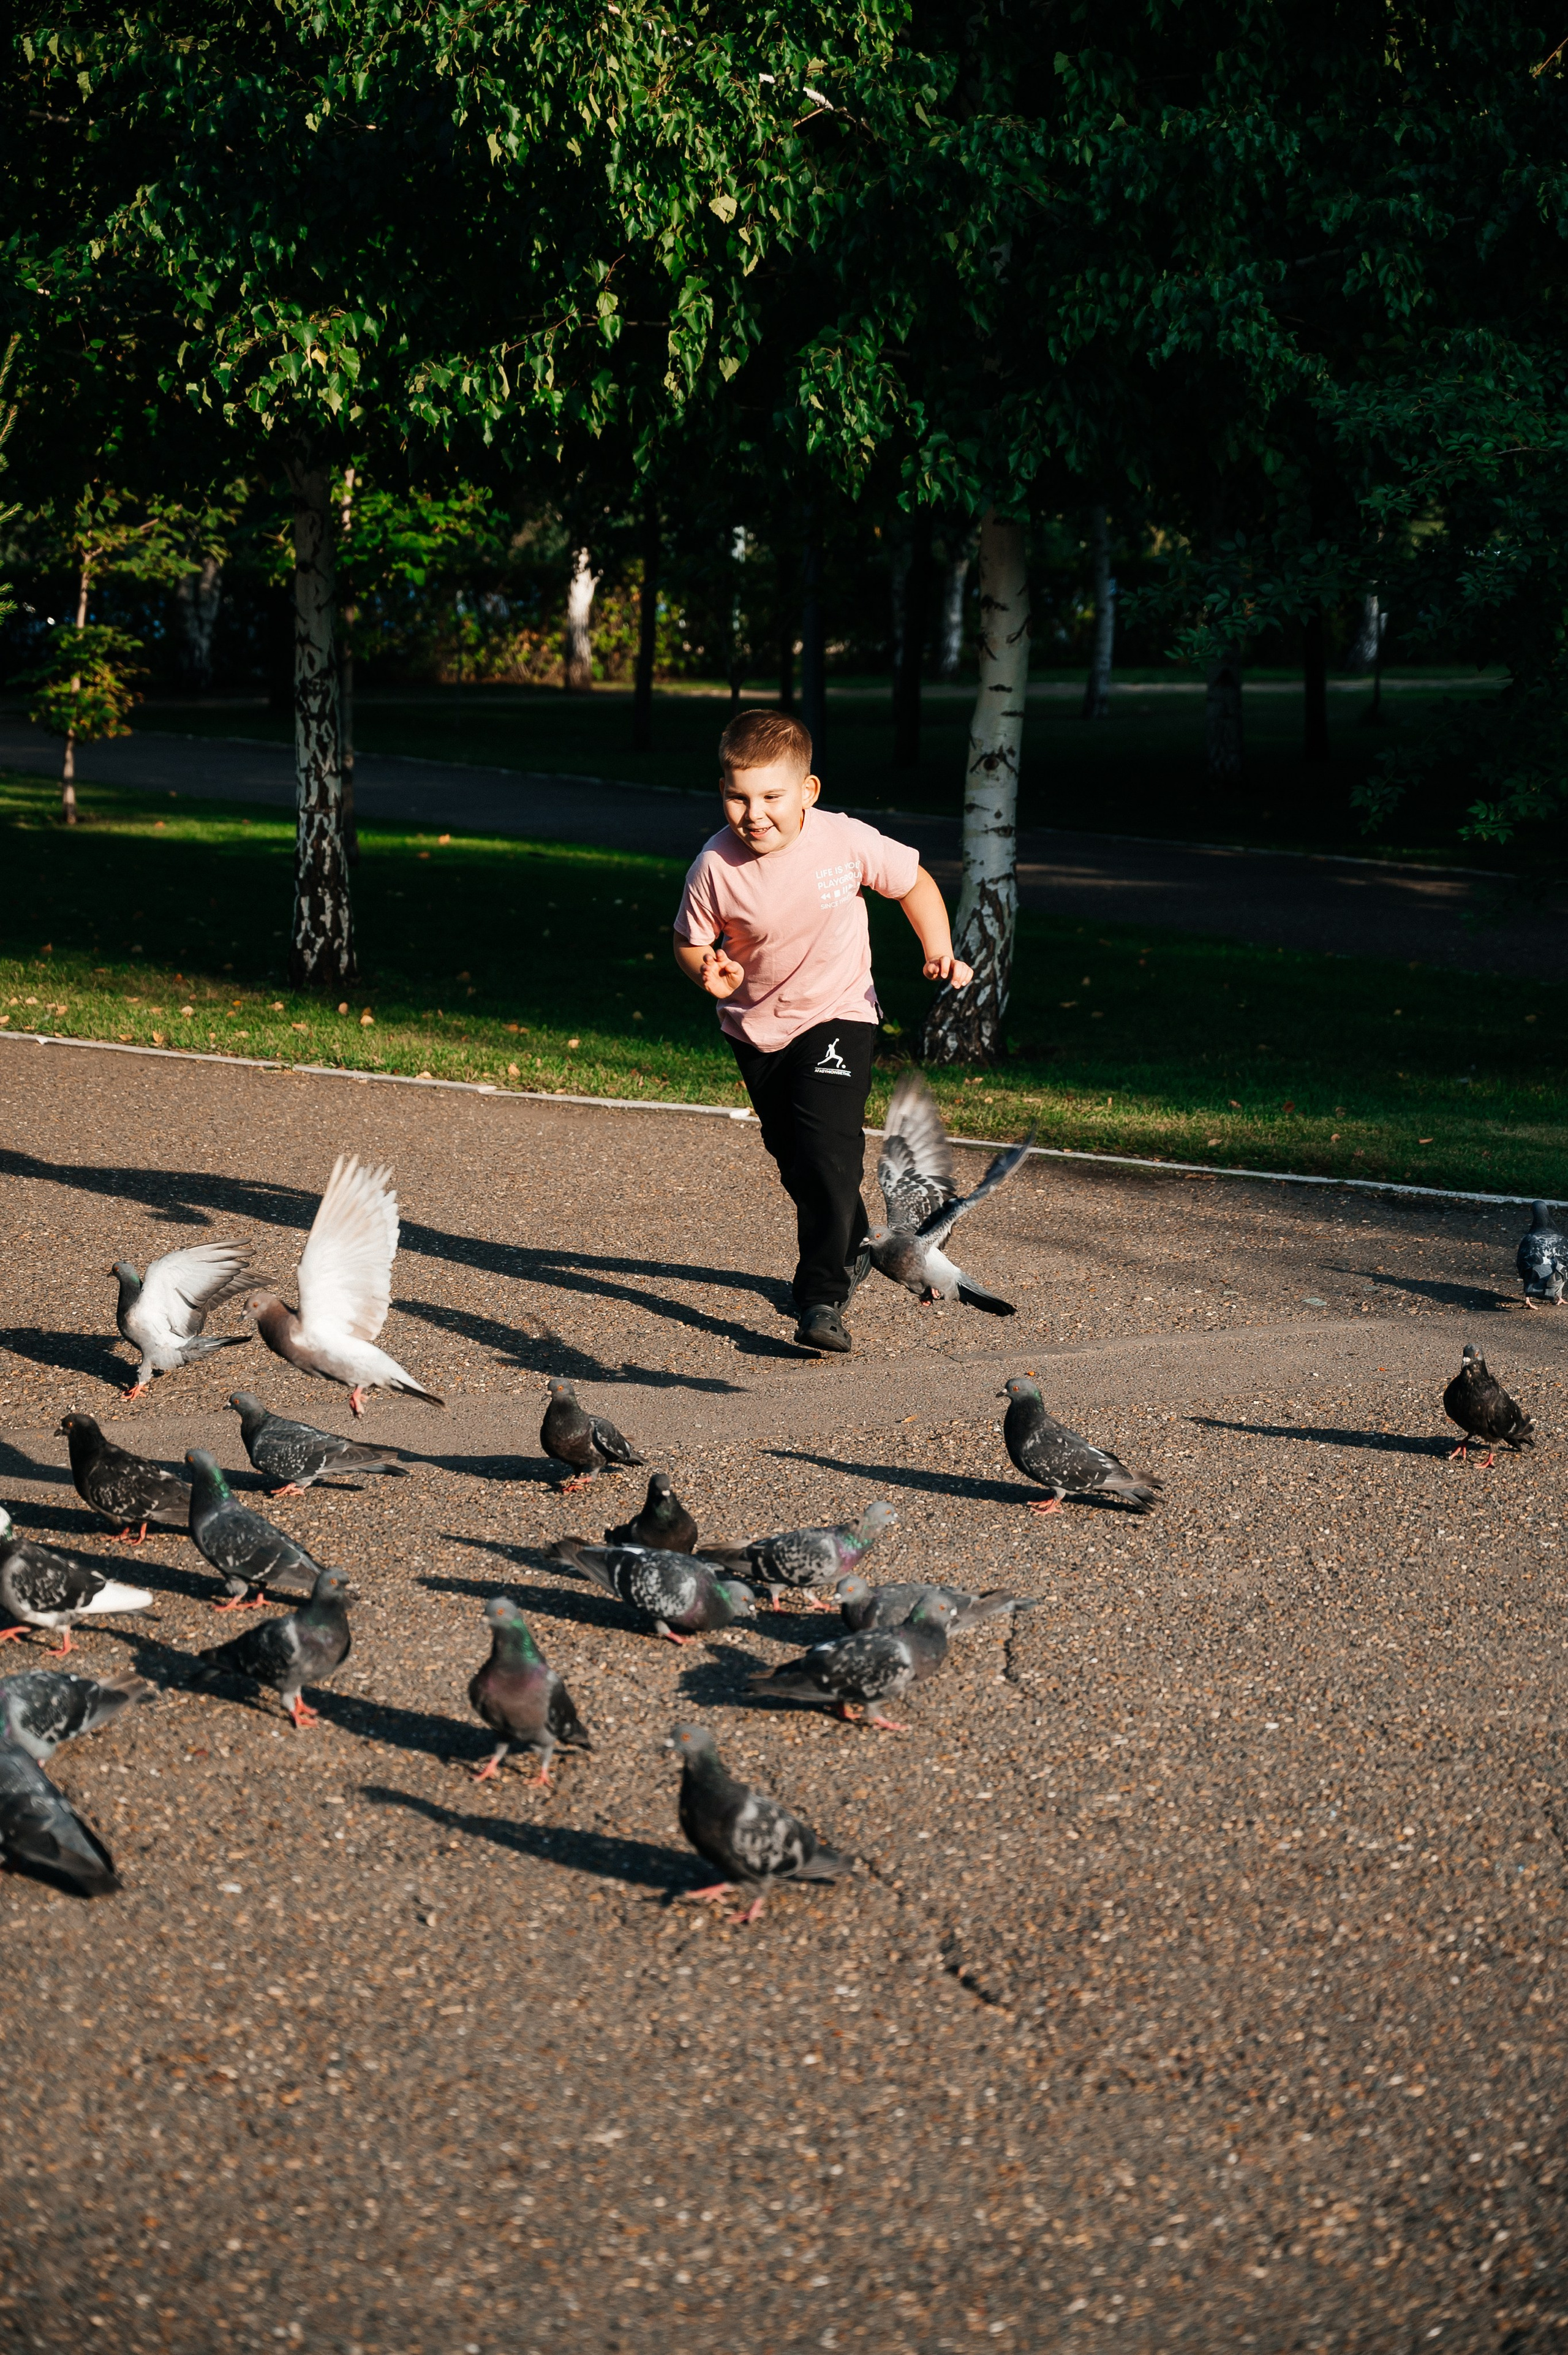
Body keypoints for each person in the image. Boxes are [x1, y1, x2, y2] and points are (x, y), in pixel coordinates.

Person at [672, 708, 973, 1355]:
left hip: (838, 1013)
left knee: (830, 1153)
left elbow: (912, 882)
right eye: (736, 796)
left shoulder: (843, 840)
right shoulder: (715, 867)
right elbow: (688, 942)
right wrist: (708, 972)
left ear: (807, 792)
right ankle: (855, 1238)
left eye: (771, 797)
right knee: (797, 1159)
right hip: (754, 1030)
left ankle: (819, 1297)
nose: (753, 814)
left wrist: (939, 947)